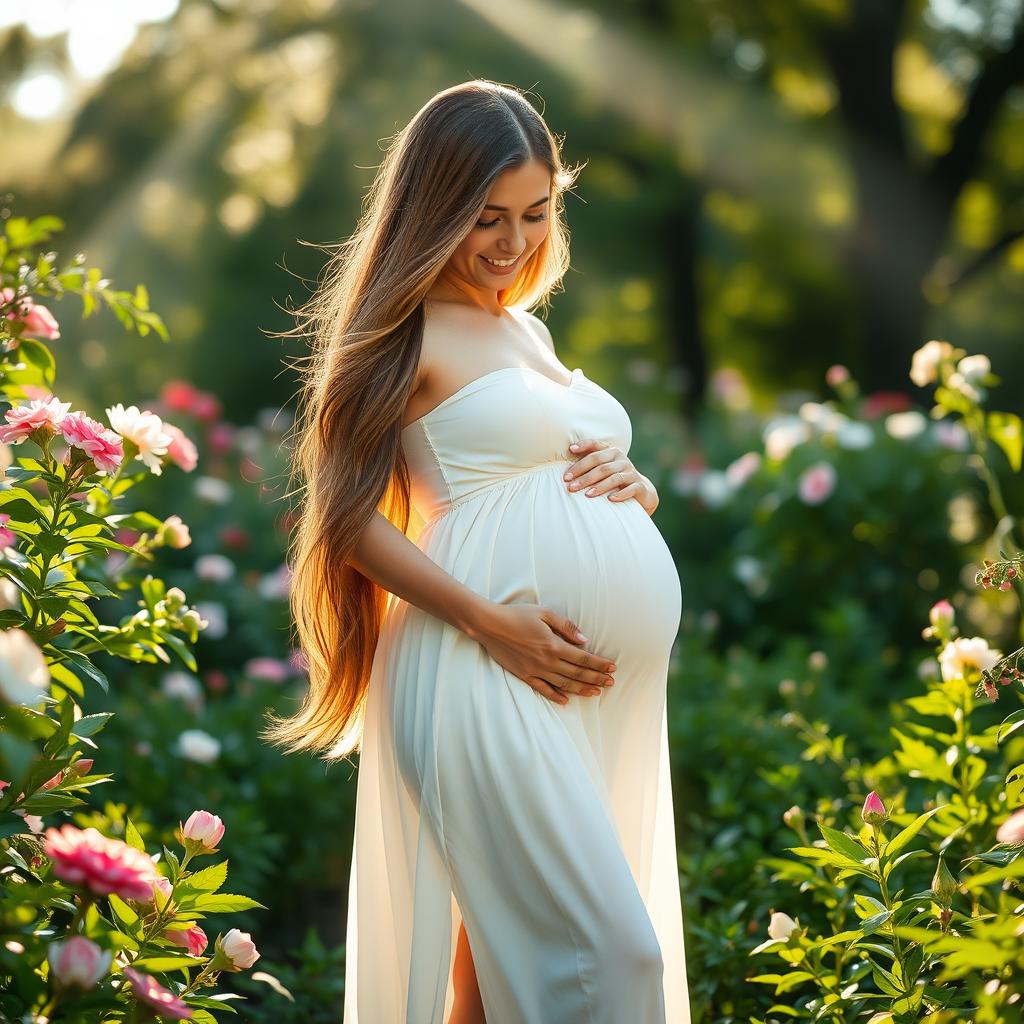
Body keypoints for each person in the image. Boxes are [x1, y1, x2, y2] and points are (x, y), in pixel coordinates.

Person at [261, 79, 691, 1024]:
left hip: (576, 687)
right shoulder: (401, 333)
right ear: (433, 210)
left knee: (493, 983)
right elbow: (343, 518)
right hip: (479, 668)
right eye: (485, 217)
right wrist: (493, 624)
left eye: (536, 213)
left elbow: (539, 469)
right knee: (611, 963)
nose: (513, 242)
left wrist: (635, 488)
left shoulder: (527, 330)